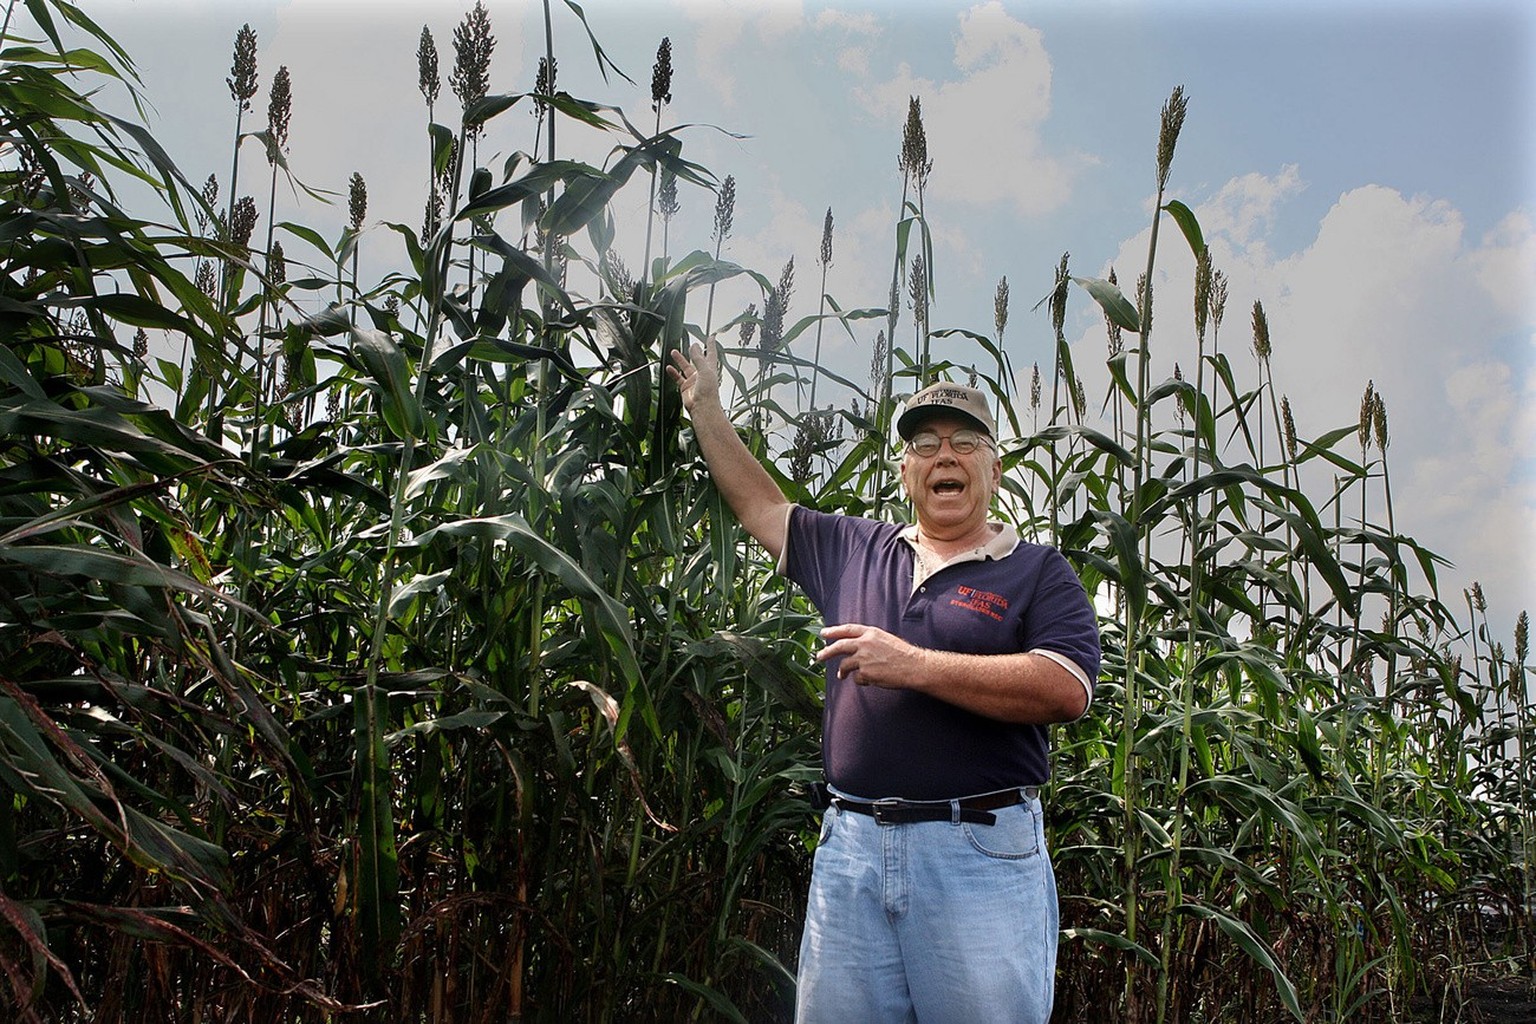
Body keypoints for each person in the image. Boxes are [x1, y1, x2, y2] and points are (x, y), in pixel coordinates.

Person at [668, 335, 1101, 1024]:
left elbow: (1065, 686)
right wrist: (708, 411)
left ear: (995, 468)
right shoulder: (855, 549)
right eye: (925, 445)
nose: (945, 456)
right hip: (852, 854)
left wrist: (913, 666)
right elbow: (760, 508)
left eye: (964, 441)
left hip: (977, 853)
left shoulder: (1037, 571)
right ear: (906, 474)